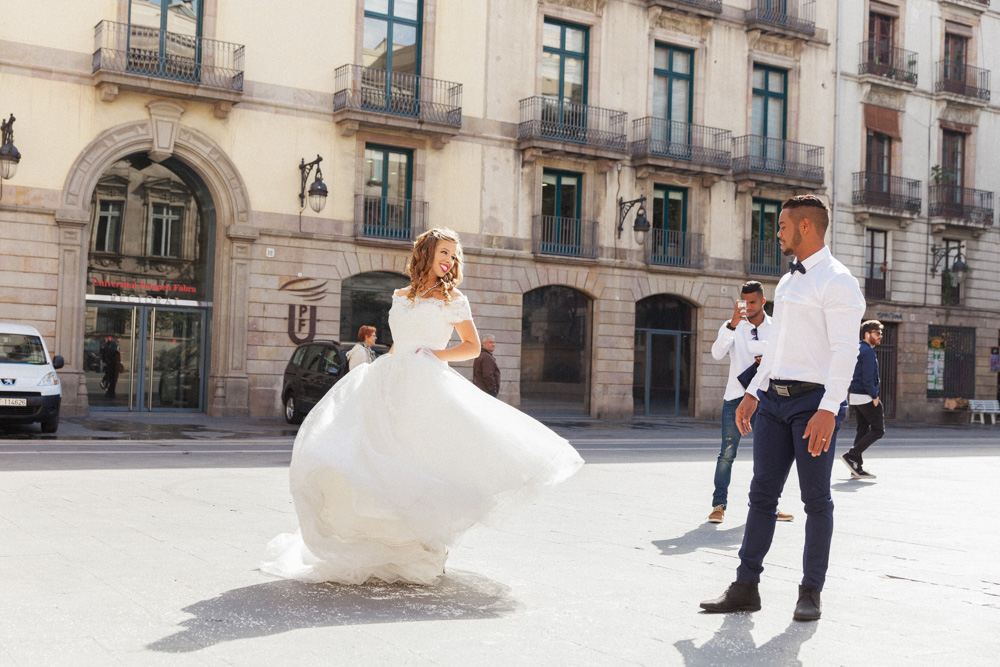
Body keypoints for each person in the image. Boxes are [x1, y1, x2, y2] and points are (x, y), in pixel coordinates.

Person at [262, 228, 583, 585]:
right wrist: (382, 370)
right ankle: (391, 544)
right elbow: (399, 344)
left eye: (453, 255)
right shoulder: (400, 295)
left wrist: (435, 354)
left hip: (428, 383)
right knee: (378, 461)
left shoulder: (454, 299)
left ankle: (428, 546)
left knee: (422, 460)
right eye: (443, 252)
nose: (448, 260)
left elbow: (472, 347)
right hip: (389, 381)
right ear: (426, 253)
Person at [700, 195, 865, 622]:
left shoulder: (838, 281)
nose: (776, 234)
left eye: (782, 226)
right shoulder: (788, 282)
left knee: (816, 500)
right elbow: (775, 346)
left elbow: (846, 351)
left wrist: (829, 409)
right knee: (760, 495)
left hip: (814, 404)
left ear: (806, 227)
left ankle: (810, 591)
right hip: (773, 401)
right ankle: (746, 587)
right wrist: (753, 391)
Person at [708, 282, 792, 525]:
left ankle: (769, 505)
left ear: (763, 302)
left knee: (770, 456)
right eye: (744, 302)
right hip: (735, 397)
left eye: (753, 302)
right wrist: (732, 324)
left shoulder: (776, 326)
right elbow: (716, 353)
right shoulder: (734, 327)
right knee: (726, 454)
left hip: (765, 398)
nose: (749, 307)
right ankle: (718, 505)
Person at [843, 320, 885, 480]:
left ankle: (856, 467)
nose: (880, 336)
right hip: (866, 395)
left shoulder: (859, 348)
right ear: (867, 334)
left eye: (880, 333)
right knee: (878, 430)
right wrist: (874, 396)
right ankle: (852, 455)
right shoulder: (867, 351)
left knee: (862, 429)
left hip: (855, 394)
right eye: (877, 333)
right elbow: (867, 378)